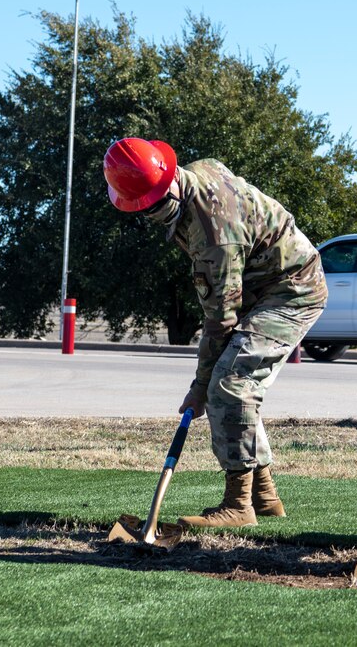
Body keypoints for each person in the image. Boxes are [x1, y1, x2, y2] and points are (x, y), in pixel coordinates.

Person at [103, 137, 328, 528]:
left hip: (292, 290)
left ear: (170, 187)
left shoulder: (214, 235)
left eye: (153, 208)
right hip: (263, 288)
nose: (150, 216)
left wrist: (199, 384)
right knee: (231, 381)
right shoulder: (197, 173)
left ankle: (239, 506)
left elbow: (220, 320)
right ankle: (265, 496)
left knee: (229, 384)